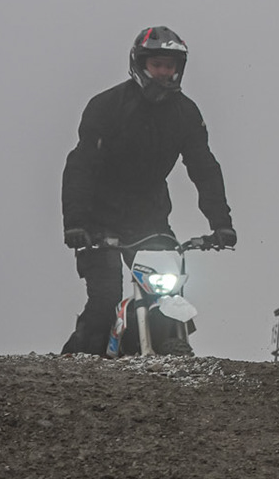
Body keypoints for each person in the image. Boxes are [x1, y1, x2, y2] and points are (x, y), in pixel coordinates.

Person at [59, 26, 236, 355]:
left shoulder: (186, 113)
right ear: (140, 65)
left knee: (167, 296)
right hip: (97, 221)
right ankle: (73, 367)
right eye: (157, 64)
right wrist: (76, 222)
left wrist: (221, 223)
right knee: (104, 302)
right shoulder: (106, 106)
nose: (164, 72)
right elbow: (81, 165)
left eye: (170, 66)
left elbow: (203, 167)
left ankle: (166, 356)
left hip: (149, 218)